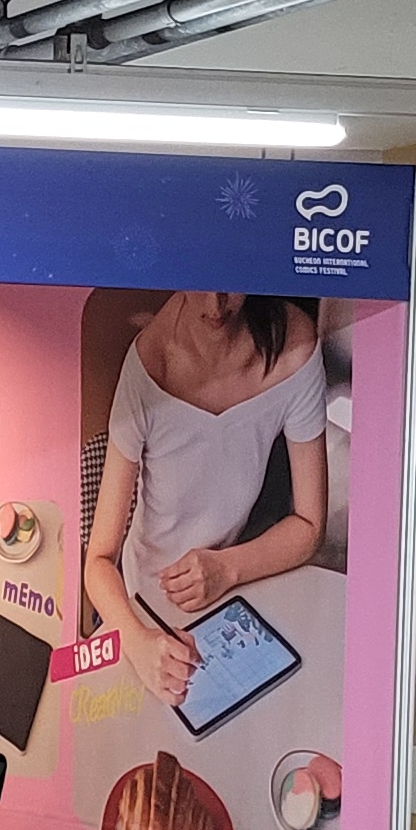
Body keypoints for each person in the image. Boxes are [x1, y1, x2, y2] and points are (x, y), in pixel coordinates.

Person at [81, 294, 326, 712]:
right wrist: (138, 643)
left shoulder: (295, 347)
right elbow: (98, 562)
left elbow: (310, 525)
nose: (216, 305)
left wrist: (227, 567)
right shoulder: (149, 365)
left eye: (230, 284)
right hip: (145, 602)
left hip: (235, 585)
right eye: (200, 285)